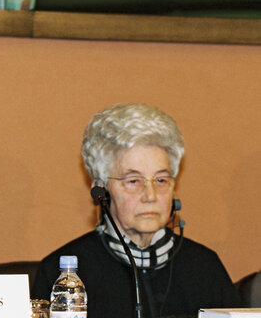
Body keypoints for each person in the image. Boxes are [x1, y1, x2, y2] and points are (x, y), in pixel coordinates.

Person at [31, 103, 241, 317]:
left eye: (161, 180)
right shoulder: (65, 275)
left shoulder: (204, 267)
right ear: (101, 190)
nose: (150, 195)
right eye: (133, 181)